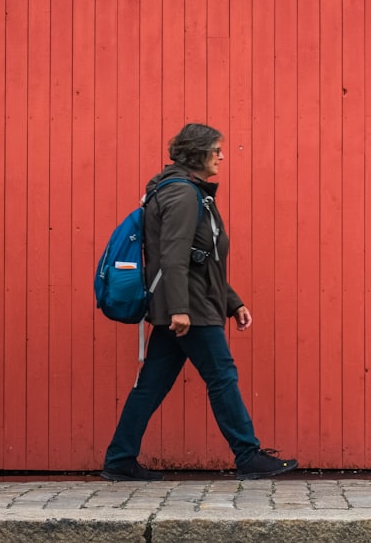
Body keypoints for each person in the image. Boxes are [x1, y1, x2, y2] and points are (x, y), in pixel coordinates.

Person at [101, 123, 297, 481]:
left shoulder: (189, 192)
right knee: (222, 377)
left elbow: (204, 260)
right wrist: (179, 309)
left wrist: (232, 302)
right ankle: (247, 454)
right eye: (216, 150)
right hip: (190, 309)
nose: (222, 156)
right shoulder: (181, 195)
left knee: (152, 385)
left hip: (192, 303)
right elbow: (173, 257)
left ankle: (119, 459)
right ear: (197, 154)